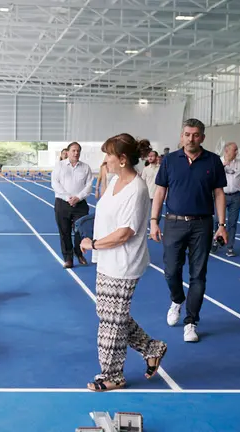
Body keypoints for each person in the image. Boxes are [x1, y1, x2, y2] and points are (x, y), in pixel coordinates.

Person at [80, 133, 167, 392]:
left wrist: (93, 244)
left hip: (124, 263)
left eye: (108, 154)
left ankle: (112, 375)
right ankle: (153, 348)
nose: (104, 159)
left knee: (112, 323)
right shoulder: (116, 181)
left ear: (122, 159)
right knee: (109, 316)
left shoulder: (137, 189)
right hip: (107, 260)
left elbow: (124, 233)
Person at [150, 118, 228, 343]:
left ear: (202, 137)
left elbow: (219, 194)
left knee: (198, 275)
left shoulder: (213, 161)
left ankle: (191, 321)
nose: (190, 138)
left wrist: (222, 226)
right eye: (187, 134)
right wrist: (154, 221)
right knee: (171, 270)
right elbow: (160, 191)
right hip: (173, 223)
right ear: (181, 135)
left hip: (202, 225)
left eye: (195, 135)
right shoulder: (170, 161)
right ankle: (177, 299)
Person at [51, 142, 94, 268]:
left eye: (78, 151)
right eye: (73, 150)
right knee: (64, 232)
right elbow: (55, 183)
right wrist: (67, 197)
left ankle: (79, 252)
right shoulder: (59, 166)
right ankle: (68, 258)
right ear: (68, 152)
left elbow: (89, 186)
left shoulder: (85, 168)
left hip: (80, 204)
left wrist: (78, 197)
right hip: (62, 203)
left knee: (80, 231)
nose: (76, 153)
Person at [212, 142, 240, 257]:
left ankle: (230, 247)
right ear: (226, 150)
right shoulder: (217, 162)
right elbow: (211, 178)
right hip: (221, 196)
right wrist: (222, 166)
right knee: (217, 220)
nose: (236, 152)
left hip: (236, 196)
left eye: (237, 150)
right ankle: (215, 242)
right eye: (234, 150)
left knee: (232, 222)